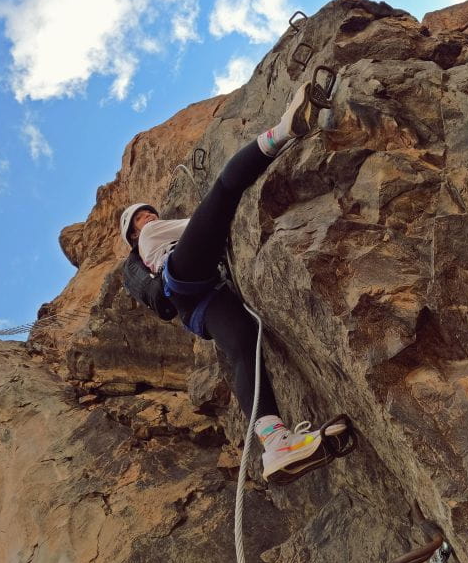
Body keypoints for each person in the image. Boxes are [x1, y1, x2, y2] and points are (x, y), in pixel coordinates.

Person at [120, 83, 348, 483]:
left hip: (201, 303)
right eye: (140, 218)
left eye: (148, 213)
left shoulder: (154, 234)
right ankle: (284, 130)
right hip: (185, 273)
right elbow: (208, 219)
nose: (148, 218)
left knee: (245, 348)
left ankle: (275, 445)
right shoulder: (151, 238)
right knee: (224, 191)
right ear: (134, 236)